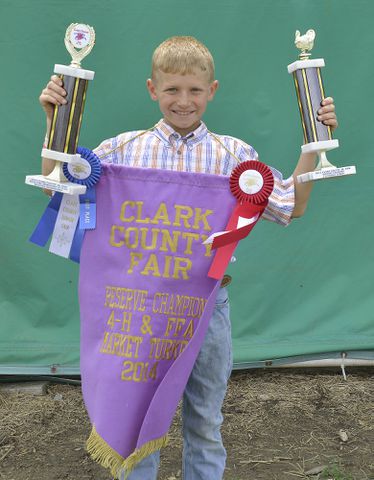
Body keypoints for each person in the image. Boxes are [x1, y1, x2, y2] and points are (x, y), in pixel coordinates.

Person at [39, 36, 338, 480]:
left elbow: (292, 205)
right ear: (151, 89)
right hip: (140, 309)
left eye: (194, 91)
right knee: (135, 421)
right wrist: (54, 124)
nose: (183, 101)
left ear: (212, 90)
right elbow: (55, 187)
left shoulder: (235, 157)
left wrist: (316, 142)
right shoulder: (120, 150)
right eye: (172, 90)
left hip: (207, 309)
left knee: (205, 422)